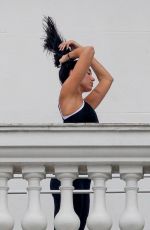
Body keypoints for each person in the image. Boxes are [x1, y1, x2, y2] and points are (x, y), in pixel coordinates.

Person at [43, 16, 114, 230]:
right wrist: (73, 53)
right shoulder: (68, 94)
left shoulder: (85, 105)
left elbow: (108, 79)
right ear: (74, 73)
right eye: (88, 73)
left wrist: (79, 51)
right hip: (67, 178)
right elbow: (89, 50)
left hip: (82, 176)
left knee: (81, 226)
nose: (92, 78)